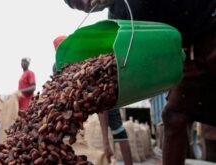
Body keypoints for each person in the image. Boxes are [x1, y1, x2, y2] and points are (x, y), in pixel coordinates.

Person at [63, 0, 216, 164]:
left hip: (210, 27)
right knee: (173, 116)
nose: (84, 4)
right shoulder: (118, 19)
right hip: (188, 50)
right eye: (76, 5)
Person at [53, 35, 133, 164]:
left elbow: (101, 104)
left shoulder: (83, 62)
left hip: (104, 95)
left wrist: (105, 141)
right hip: (80, 99)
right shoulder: (58, 67)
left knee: (117, 129)